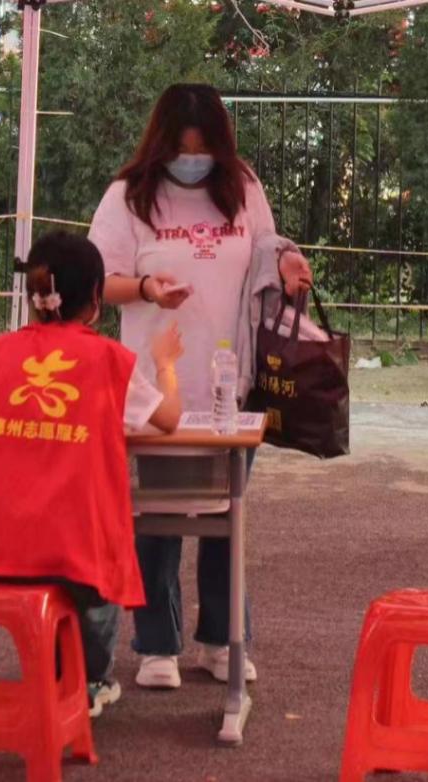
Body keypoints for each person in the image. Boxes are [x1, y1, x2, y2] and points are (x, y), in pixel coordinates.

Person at [88, 83, 312, 690]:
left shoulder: (242, 185)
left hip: (231, 383)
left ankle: (222, 640)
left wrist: (287, 261)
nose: (193, 161)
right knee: (157, 520)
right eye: (183, 151)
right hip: (156, 388)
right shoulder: (128, 197)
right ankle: (156, 645)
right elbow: (98, 280)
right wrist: (147, 289)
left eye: (203, 150)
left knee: (227, 515)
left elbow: (266, 250)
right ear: (161, 145)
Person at [0, 231, 183, 716]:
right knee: (95, 571)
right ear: (96, 299)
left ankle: (52, 674)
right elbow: (169, 419)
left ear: (32, 295)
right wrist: (165, 365)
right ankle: (87, 679)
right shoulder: (109, 360)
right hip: (74, 555)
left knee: (44, 570)